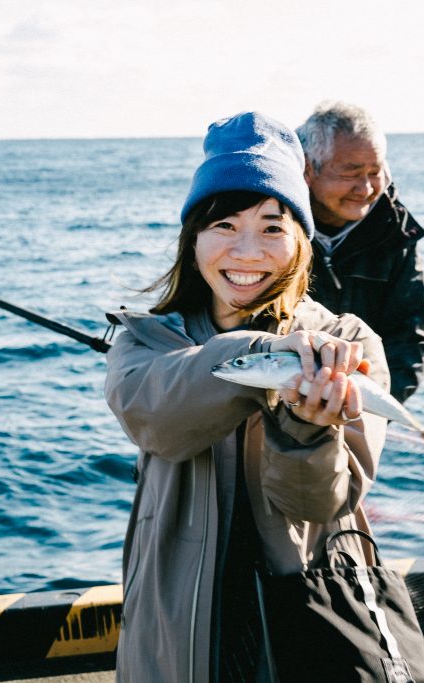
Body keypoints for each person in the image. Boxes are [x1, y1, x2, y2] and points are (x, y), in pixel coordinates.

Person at [104, 112, 396, 682]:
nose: (247, 252)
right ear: (193, 239)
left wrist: (306, 429)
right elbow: (157, 421)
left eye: (271, 228)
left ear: (300, 243)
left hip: (306, 616)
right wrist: (264, 351)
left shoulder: (349, 344)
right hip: (174, 627)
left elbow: (319, 504)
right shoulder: (146, 340)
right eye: (224, 225)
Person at [297, 102, 424, 402]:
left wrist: (367, 409)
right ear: (307, 169)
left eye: (375, 172)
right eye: (351, 174)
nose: (366, 188)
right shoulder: (273, 231)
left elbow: (411, 338)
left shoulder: (395, 233)